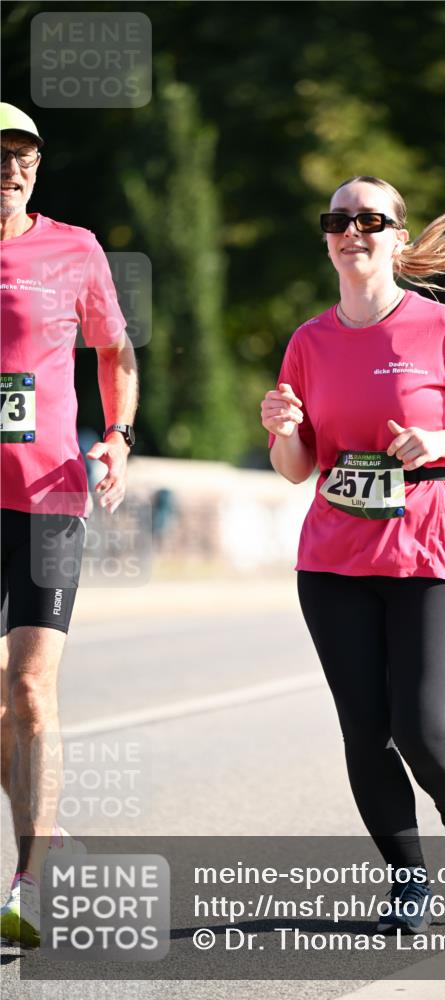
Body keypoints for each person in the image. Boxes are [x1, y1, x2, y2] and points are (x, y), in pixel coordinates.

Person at [261, 175, 445, 934]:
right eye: (338, 219)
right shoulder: (308, 340)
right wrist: (280, 426)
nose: (352, 230)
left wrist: (438, 441)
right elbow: (296, 465)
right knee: (362, 728)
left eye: (370, 219)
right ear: (327, 238)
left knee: (420, 725)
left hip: (427, 549)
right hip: (334, 559)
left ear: (398, 237)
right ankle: (407, 879)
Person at [0, 103, 138, 946]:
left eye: (25, 156)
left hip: (46, 493)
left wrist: (117, 437)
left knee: (28, 690)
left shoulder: (73, 249)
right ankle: (44, 831)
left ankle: (29, 882)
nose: (11, 169)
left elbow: (114, 352)